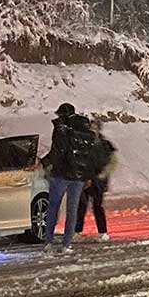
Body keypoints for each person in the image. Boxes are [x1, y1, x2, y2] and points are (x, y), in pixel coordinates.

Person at [39, 103, 96, 253]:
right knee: (72, 210)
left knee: (53, 207)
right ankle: (66, 244)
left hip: (61, 175)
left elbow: (58, 151)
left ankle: (48, 242)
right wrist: (88, 176)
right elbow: (90, 157)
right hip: (79, 177)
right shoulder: (86, 131)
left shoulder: (62, 129)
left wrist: (43, 163)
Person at [75, 116, 118, 241]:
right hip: (86, 179)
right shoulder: (83, 144)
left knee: (97, 206)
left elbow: (112, 162)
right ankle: (77, 231)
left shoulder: (104, 144)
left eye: (94, 128)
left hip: (98, 180)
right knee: (81, 205)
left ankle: (103, 232)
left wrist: (102, 175)